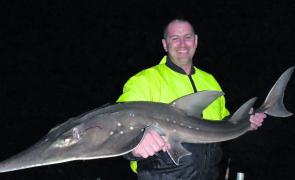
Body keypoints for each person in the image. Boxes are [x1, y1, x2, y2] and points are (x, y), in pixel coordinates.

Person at [117, 19, 266, 180]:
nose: (182, 44)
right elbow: (119, 128)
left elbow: (224, 122)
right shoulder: (144, 80)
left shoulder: (210, 82)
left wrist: (245, 123)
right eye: (175, 38)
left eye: (187, 37)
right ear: (165, 44)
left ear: (196, 41)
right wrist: (135, 146)